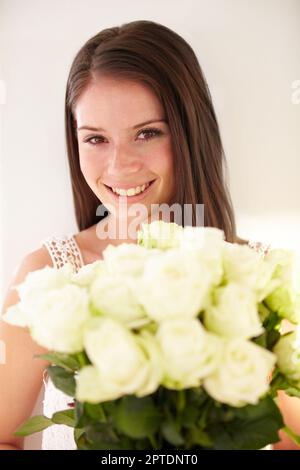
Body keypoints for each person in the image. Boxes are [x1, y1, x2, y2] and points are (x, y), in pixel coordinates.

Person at [0, 19, 299, 450]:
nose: (120, 167)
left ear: (189, 131)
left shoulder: (259, 279)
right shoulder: (48, 279)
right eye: (96, 139)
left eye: (147, 133)